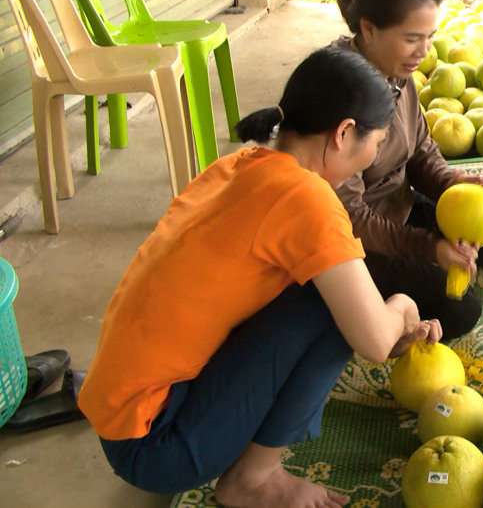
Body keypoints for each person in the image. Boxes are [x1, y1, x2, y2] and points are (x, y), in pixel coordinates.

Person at [78, 47, 440, 508]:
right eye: (376, 142)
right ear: (344, 133)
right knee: (332, 308)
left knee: (323, 287)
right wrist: (402, 308)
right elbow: (373, 340)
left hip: (124, 416)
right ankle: (255, 478)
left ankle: (242, 460)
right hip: (155, 447)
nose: (373, 156)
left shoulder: (236, 167)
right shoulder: (308, 199)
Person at [333, 0, 483, 340]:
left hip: (401, 205)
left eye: (429, 36)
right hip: (366, 240)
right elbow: (351, 218)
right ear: (368, 29)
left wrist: (450, 183)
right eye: (411, 38)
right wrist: (428, 248)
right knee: (461, 308)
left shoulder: (396, 71)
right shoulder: (342, 96)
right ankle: (374, 302)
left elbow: (421, 149)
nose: (424, 51)